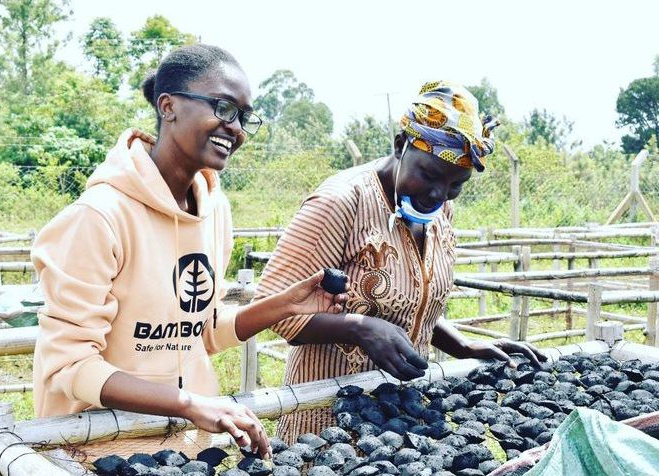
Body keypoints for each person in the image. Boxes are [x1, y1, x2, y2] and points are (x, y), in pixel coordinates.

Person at [31, 44, 347, 458]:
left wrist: (284, 306)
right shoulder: (97, 217)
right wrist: (188, 403)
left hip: (185, 450)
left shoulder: (215, 211)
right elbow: (69, 366)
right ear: (168, 106)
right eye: (223, 107)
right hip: (96, 451)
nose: (235, 128)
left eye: (245, 117)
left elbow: (199, 333)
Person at [254, 80, 547, 441]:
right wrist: (358, 327)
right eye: (429, 175)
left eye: (456, 184)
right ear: (399, 146)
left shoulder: (439, 211)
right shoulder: (342, 202)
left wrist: (463, 347)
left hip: (402, 424)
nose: (438, 194)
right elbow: (270, 307)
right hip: (326, 424)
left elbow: (409, 307)